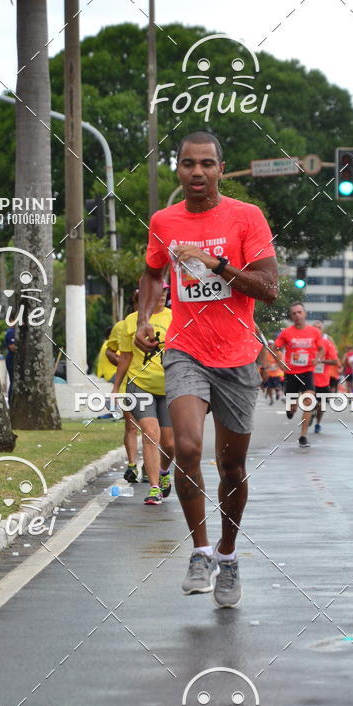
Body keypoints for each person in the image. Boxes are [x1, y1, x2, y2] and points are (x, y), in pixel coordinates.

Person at [135, 130, 278, 607]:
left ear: (220, 168)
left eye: (206, 164)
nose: (196, 172)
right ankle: (199, 551)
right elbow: (153, 272)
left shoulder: (246, 217)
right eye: (187, 164)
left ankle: (228, 555)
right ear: (177, 169)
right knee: (189, 447)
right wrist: (144, 319)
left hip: (237, 356)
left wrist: (215, 263)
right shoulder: (163, 220)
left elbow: (268, 288)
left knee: (232, 465)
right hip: (184, 348)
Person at [112, 284, 174, 505]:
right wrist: (116, 387)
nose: (162, 296)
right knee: (150, 434)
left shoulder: (175, 318)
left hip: (169, 388)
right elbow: (125, 358)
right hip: (140, 386)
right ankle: (155, 488)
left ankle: (164, 471)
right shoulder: (131, 322)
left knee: (170, 444)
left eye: (165, 292)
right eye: (157, 292)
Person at [274, 302, 323, 446]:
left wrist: (318, 358)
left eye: (299, 312)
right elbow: (275, 348)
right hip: (291, 373)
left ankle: (303, 436)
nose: (297, 315)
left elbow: (321, 349)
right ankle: (290, 410)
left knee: (309, 401)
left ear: (305, 314)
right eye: (294, 313)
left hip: (307, 371)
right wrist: (280, 362)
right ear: (291, 316)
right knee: (292, 407)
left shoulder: (314, 332)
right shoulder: (286, 333)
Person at [106, 292, 140, 482]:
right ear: (134, 303)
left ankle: (157, 468)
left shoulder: (166, 318)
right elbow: (110, 350)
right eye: (139, 300)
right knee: (131, 426)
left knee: (158, 431)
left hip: (158, 383)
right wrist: (118, 360)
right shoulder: (122, 325)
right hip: (130, 382)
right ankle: (132, 466)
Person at [311, 321, 340, 433]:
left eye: (319, 328)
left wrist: (321, 361)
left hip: (323, 379)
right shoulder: (307, 342)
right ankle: (310, 414)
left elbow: (334, 360)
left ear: (322, 330)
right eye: (315, 328)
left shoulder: (327, 342)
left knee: (321, 404)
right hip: (309, 377)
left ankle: (318, 422)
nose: (317, 330)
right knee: (309, 400)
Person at [259, 340, 284, 405]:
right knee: (269, 387)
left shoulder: (278, 353)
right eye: (269, 344)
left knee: (276, 386)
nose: (270, 346)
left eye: (271, 344)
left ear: (274, 345)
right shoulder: (266, 353)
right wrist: (265, 366)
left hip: (277, 373)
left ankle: (277, 392)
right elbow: (263, 362)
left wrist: (276, 365)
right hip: (268, 374)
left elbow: (281, 362)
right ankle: (271, 400)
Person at [4, 326, 16, 403]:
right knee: (13, 381)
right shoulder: (11, 332)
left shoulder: (15, 331)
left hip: (13, 359)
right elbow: (12, 347)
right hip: (12, 359)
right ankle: (11, 402)